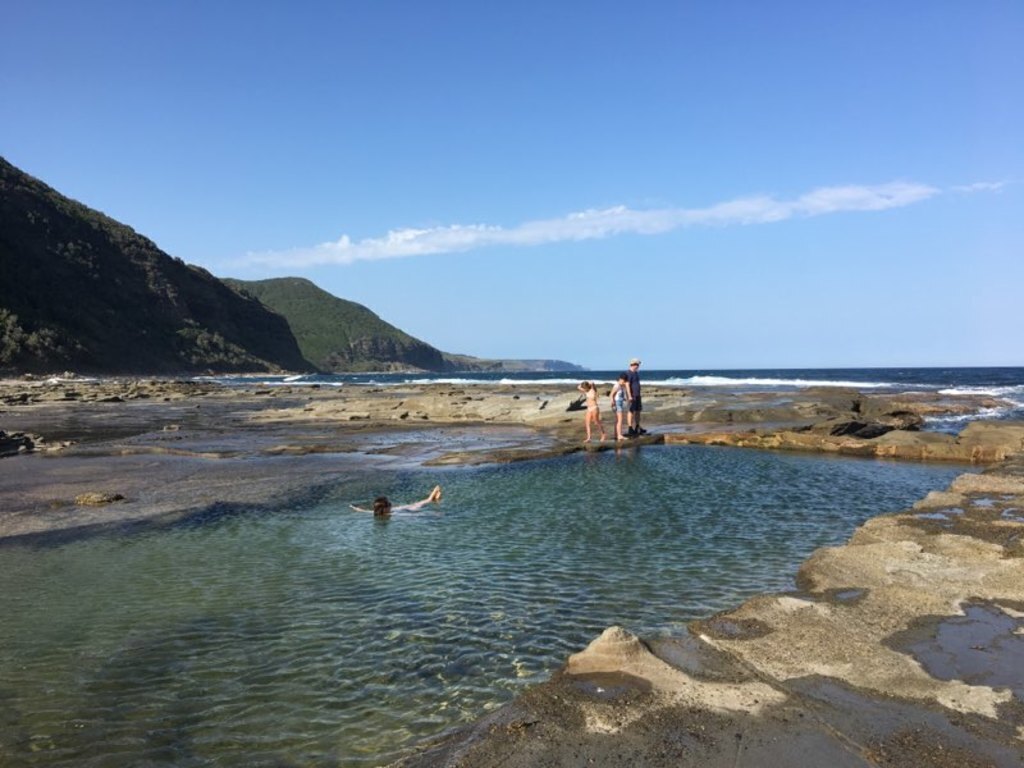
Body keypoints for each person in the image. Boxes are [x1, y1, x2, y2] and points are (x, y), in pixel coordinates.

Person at [350, 485, 442, 517]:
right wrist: (430, 514)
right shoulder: (391, 514)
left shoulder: (376, 513)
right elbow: (411, 515)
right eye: (389, 504)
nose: (390, 504)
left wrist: (354, 508)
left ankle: (434, 499)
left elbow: (365, 511)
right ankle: (433, 497)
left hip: (402, 508)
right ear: (386, 508)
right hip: (410, 510)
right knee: (421, 503)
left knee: (419, 503)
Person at [624, 358, 646, 437]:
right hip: (632, 396)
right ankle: (630, 428)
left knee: (638, 411)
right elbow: (627, 385)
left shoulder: (636, 373)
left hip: (637, 395)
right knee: (631, 411)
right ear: (634, 364)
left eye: (638, 365)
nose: (638, 366)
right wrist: (629, 395)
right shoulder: (628, 373)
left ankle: (637, 426)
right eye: (637, 365)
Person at [609, 373, 629, 440]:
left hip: (619, 402)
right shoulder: (617, 386)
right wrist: (612, 403)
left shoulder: (621, 386)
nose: (625, 382)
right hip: (617, 403)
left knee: (617, 420)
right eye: (624, 380)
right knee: (620, 420)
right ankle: (619, 435)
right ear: (621, 379)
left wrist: (624, 399)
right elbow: (611, 395)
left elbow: (619, 395)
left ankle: (616, 434)